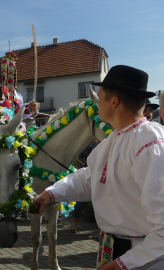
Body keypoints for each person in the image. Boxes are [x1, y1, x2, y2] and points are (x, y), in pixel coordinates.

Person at [34, 65, 164, 270]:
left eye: (100, 98)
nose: (96, 104)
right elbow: (90, 177)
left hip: (144, 257)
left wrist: (123, 264)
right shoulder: (114, 139)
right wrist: (52, 194)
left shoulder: (150, 144)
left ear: (114, 102)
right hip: (113, 249)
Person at [0, 51, 39, 130]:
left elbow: (18, 113)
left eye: (12, 72)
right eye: (6, 71)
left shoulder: (14, 93)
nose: (10, 75)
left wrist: (30, 108)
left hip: (16, 130)